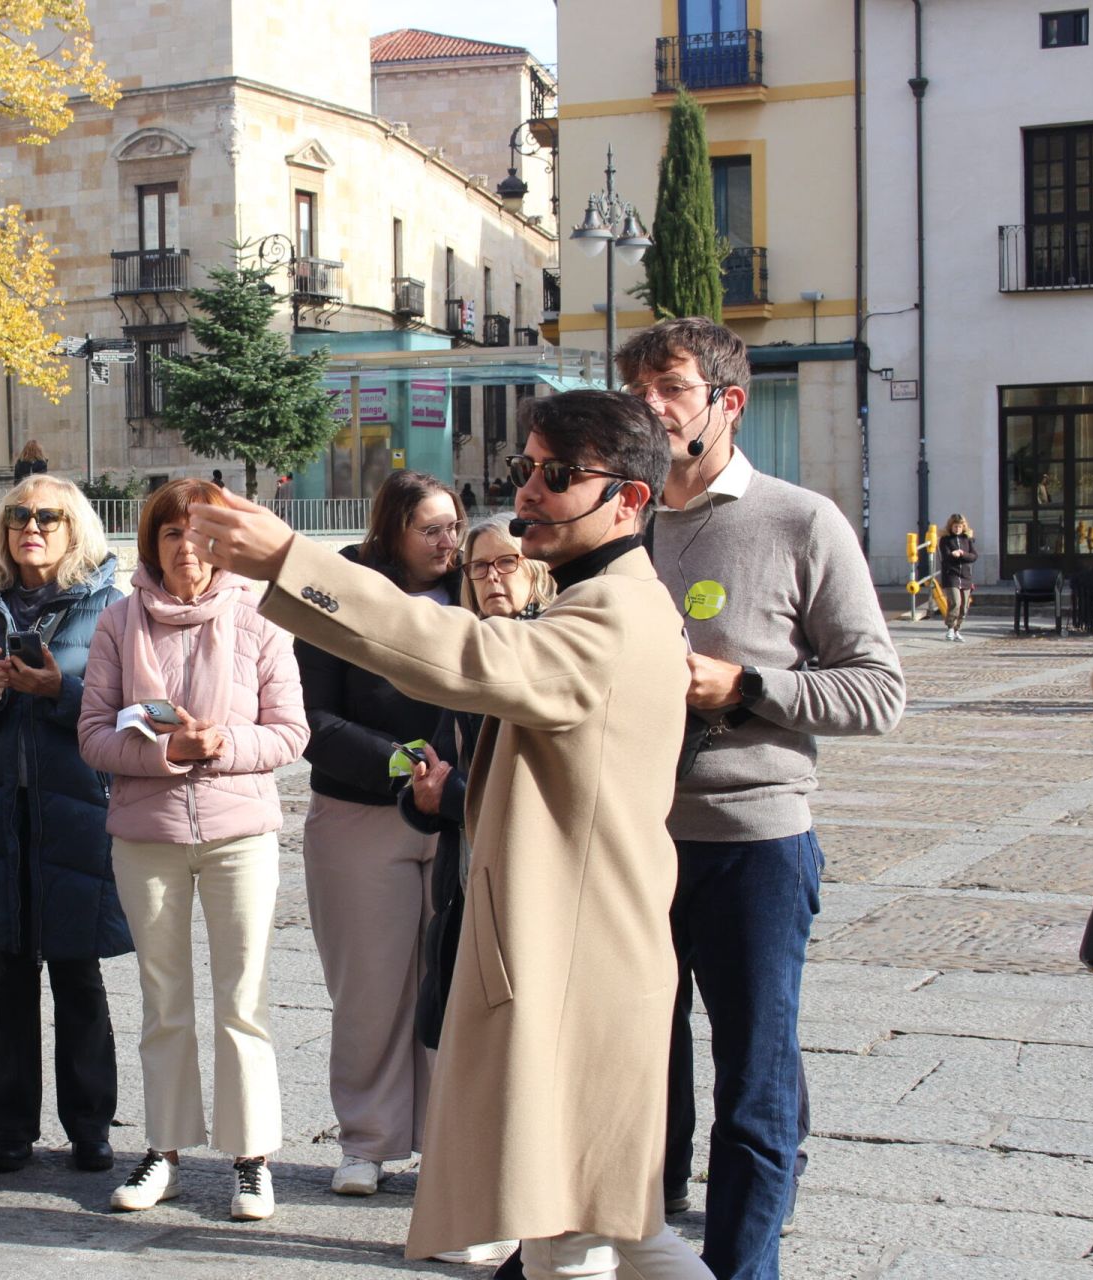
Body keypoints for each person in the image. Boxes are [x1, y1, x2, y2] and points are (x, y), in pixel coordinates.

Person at [188, 390, 712, 1280]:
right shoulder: (599, 603)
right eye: (526, 471)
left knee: (590, 1232)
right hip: (568, 953)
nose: (532, 493)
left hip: (580, 963)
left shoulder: (615, 614)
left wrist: (290, 559)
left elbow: (462, 656)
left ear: (629, 498)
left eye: (559, 475)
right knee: (585, 1230)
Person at [620, 317, 904, 1279]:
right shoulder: (620, 523)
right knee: (638, 1072)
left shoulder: (800, 520)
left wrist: (744, 686)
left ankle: (745, 1266)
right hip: (629, 843)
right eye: (638, 387)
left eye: (670, 386)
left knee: (754, 1075)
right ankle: (642, 1242)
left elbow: (878, 691)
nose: (649, 405)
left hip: (754, 843)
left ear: (727, 403)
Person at [78, 478, 308, 1221]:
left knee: (243, 1001)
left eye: (201, 534)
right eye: (172, 534)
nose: (187, 549)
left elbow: (290, 732)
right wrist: (168, 755)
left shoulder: (260, 622)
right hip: (147, 836)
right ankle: (165, 1149)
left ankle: (251, 1158)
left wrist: (223, 744)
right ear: (153, 544)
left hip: (240, 833)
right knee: (162, 1000)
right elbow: (94, 737)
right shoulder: (119, 623)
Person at [0, 476, 128, 1175]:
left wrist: (57, 692)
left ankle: (91, 1128)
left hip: (78, 812)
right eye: (17, 516)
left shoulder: (109, 609)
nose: (30, 526)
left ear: (75, 530)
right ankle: (11, 1129)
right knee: (8, 975)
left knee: (77, 972)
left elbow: (132, 709)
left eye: (48, 516)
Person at [293, 470, 465, 1198]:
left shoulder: (474, 596)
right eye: (431, 529)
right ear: (391, 529)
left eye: (454, 527)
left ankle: (448, 1141)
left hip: (457, 813)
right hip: (362, 813)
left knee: (451, 986)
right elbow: (313, 720)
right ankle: (366, 1140)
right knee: (370, 989)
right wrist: (404, 767)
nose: (449, 543)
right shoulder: (340, 595)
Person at [399, 511, 555, 1270]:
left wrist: (451, 788)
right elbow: (429, 761)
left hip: (533, 892)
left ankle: (523, 1216)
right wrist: (422, 790)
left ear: (538, 572)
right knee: (463, 1042)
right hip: (466, 882)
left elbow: (535, 788)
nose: (491, 579)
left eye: (507, 565)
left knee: (519, 1052)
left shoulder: (548, 647)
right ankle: (476, 1204)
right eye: (480, 567)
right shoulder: (468, 654)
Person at [938, 514, 976, 642]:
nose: (957, 529)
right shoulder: (945, 540)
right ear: (951, 526)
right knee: (955, 602)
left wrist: (962, 554)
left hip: (965, 576)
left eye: (960, 526)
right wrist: (952, 554)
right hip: (951, 576)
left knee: (964, 606)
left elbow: (974, 556)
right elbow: (945, 556)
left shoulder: (967, 539)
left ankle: (957, 629)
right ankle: (950, 627)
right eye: (955, 526)